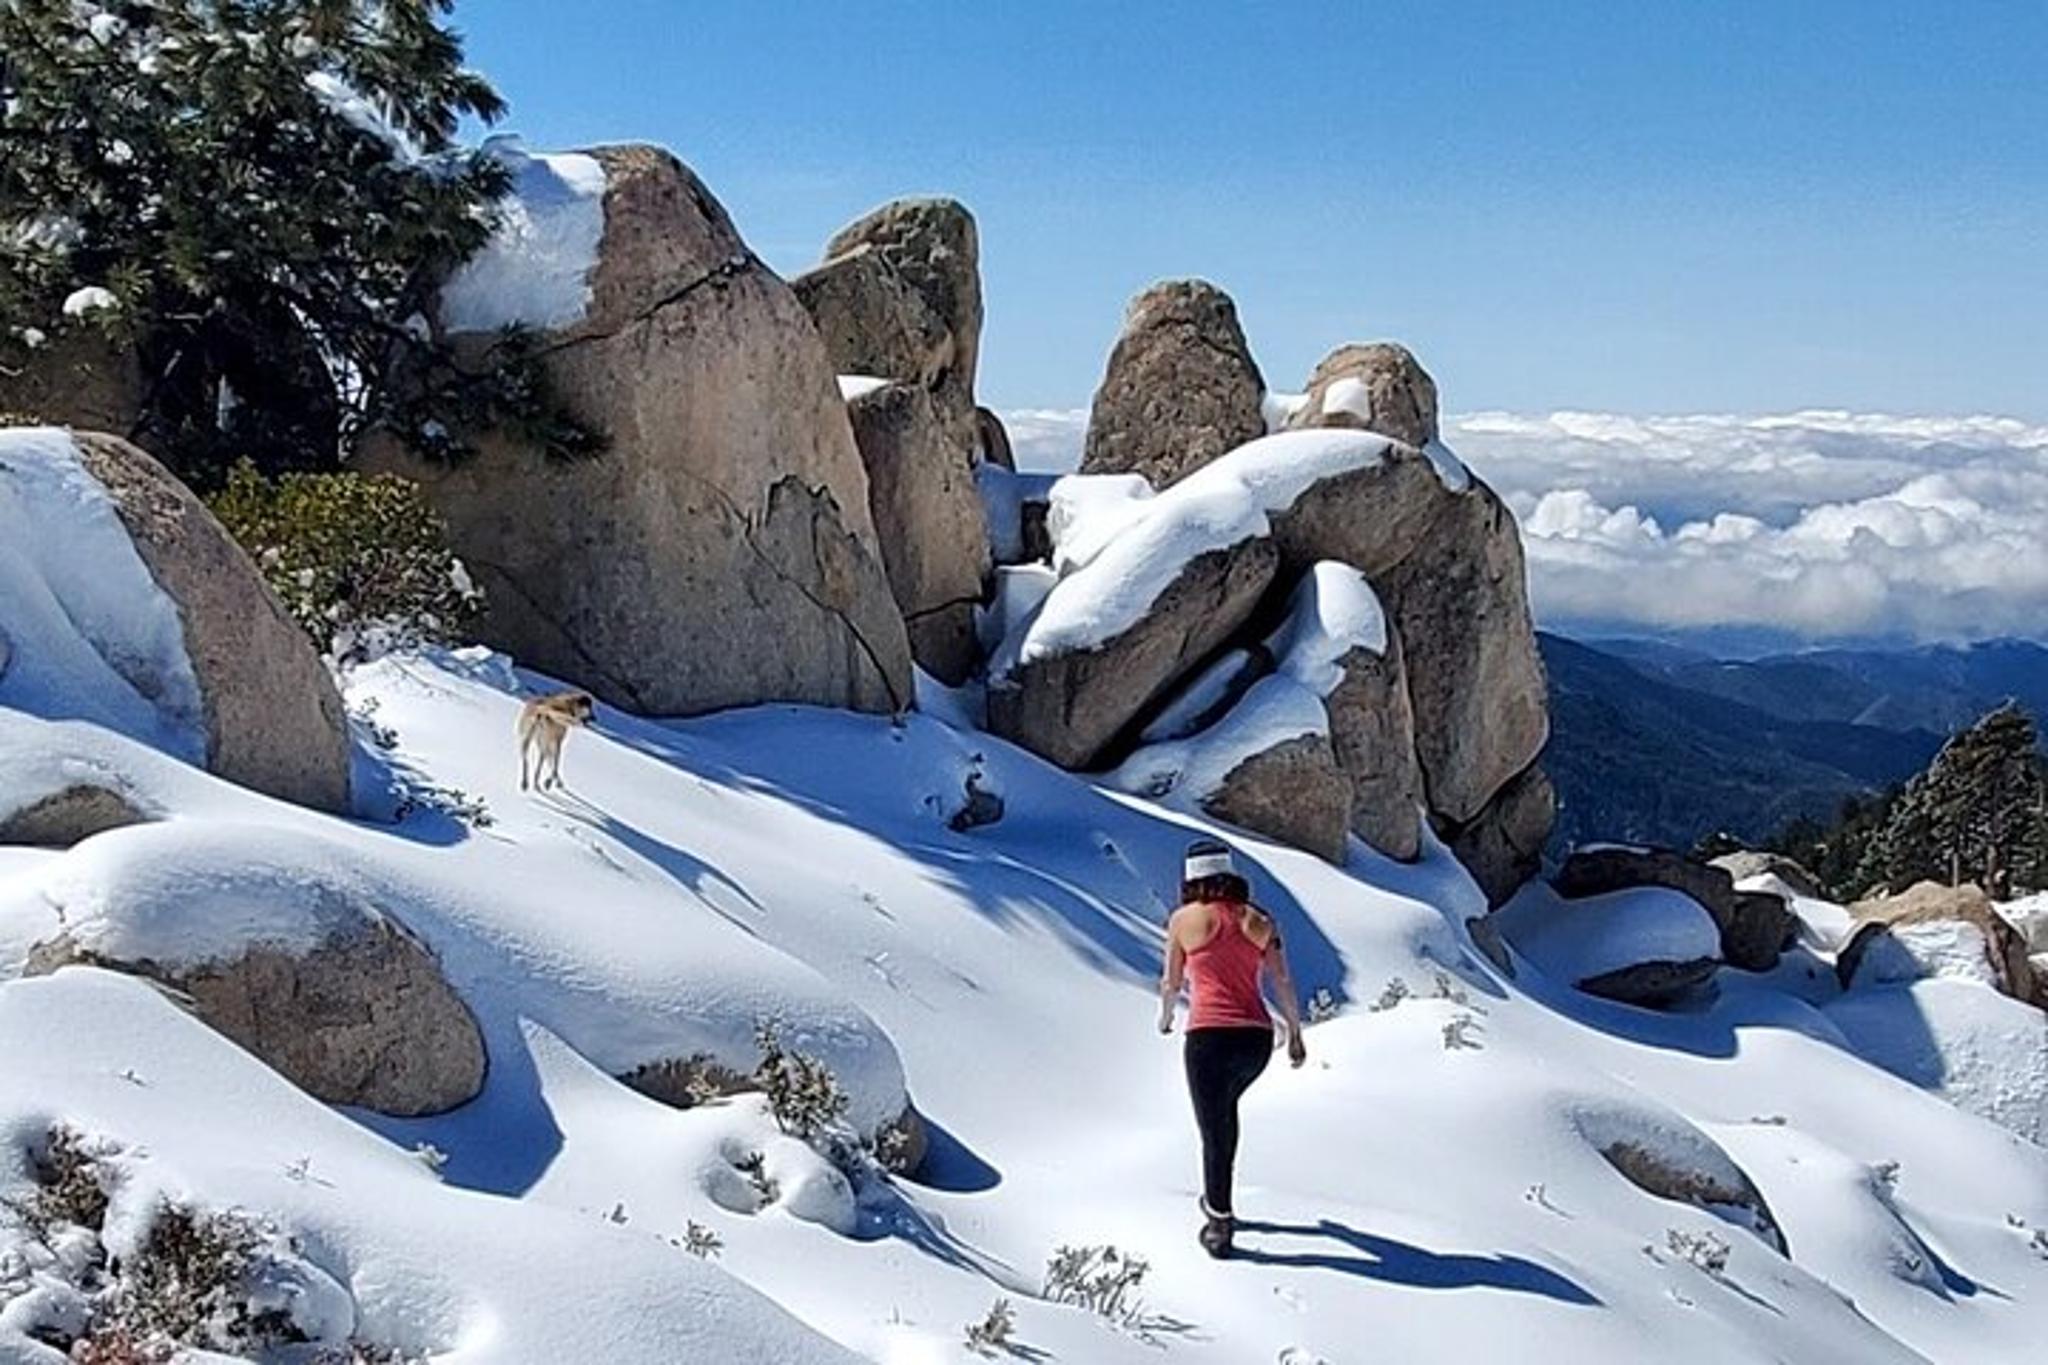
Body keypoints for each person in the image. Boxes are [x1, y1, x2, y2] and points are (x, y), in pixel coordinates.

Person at [1158, 840, 1306, 1258]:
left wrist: (1167, 1018)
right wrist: (1294, 1033)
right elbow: (1283, 982)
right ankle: (1219, 1204)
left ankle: (1219, 1221)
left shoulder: (1183, 920)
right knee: (1227, 1114)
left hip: (1208, 1037)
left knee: (1214, 1130)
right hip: (1255, 1040)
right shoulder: (1259, 921)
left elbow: (1171, 982)